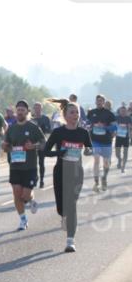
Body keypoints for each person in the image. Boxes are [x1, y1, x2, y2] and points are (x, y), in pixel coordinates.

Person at [44, 100, 93, 252]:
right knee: (62, 209)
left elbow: (89, 148)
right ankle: (64, 217)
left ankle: (70, 240)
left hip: (77, 172)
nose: (75, 115)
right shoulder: (58, 133)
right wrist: (59, 152)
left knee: (71, 205)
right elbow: (46, 151)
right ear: (65, 116)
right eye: (72, 112)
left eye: (77, 112)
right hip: (60, 172)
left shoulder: (83, 133)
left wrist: (88, 151)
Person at [2, 100, 45, 231]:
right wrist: (5, 147)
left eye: (22, 110)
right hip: (15, 167)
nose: (20, 112)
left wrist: (34, 146)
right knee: (16, 193)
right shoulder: (11, 128)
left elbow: (44, 143)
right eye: (18, 110)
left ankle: (30, 200)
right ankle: (23, 220)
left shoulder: (33, 127)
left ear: (27, 112)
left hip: (29, 167)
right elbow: (6, 146)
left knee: (25, 195)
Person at [86, 94, 117, 191]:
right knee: (96, 160)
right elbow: (87, 123)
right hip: (95, 141)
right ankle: (96, 182)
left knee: (106, 163)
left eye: (101, 101)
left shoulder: (109, 114)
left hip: (106, 141)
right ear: (95, 102)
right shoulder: (91, 113)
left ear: (104, 102)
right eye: (98, 100)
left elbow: (114, 127)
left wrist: (105, 127)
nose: (99, 102)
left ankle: (104, 178)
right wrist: (89, 126)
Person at [32, 102, 53, 188]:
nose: (37, 109)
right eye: (36, 108)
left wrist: (46, 142)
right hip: (33, 143)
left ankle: (41, 180)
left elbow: (49, 131)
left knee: (41, 162)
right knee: (33, 163)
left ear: (41, 109)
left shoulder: (45, 118)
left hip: (42, 143)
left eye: (39, 108)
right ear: (33, 109)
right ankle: (35, 178)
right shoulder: (31, 119)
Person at [115, 105, 130, 173]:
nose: (123, 112)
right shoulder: (117, 117)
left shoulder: (128, 118)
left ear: (126, 111)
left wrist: (129, 126)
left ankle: (123, 167)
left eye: (124, 111)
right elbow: (113, 124)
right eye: (122, 111)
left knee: (125, 152)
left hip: (126, 137)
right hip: (118, 137)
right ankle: (119, 159)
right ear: (120, 111)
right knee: (117, 153)